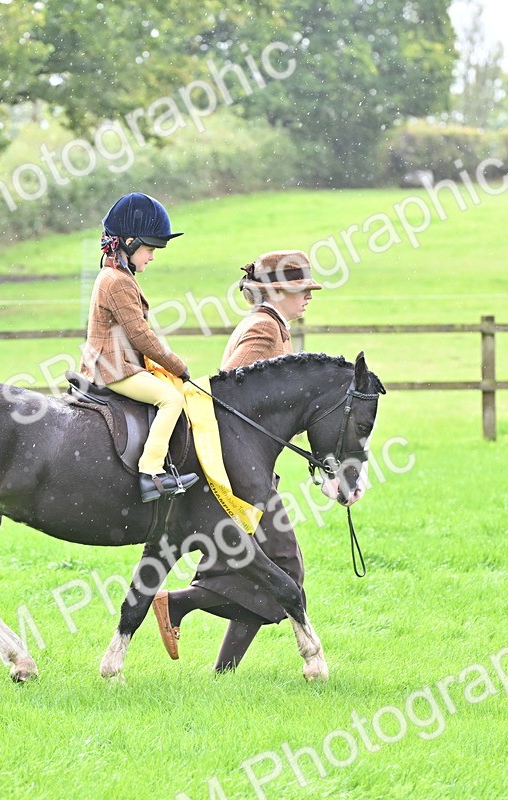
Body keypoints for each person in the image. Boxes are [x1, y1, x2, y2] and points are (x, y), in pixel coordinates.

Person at [152, 249, 324, 670]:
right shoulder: (264, 328)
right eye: (302, 289)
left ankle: (220, 667)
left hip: (248, 468)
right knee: (284, 569)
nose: (309, 297)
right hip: (237, 472)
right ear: (277, 290)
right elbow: (228, 393)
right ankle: (176, 605)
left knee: (262, 571)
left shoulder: (275, 326)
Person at [79, 192, 199, 502]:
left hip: (114, 363)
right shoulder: (117, 281)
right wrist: (178, 366)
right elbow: (141, 336)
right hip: (111, 367)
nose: (152, 256)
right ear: (129, 243)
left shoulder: (115, 275)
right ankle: (151, 472)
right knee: (171, 400)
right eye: (149, 249)